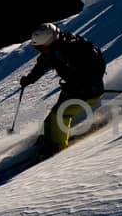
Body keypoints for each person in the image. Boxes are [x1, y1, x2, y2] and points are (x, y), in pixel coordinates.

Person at [19, 22, 106, 152]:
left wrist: (83, 85)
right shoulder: (53, 50)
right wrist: (29, 79)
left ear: (48, 42)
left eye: (41, 48)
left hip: (88, 90)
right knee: (51, 118)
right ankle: (49, 138)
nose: (41, 51)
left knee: (60, 115)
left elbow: (93, 69)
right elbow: (41, 65)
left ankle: (58, 146)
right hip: (72, 89)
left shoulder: (75, 48)